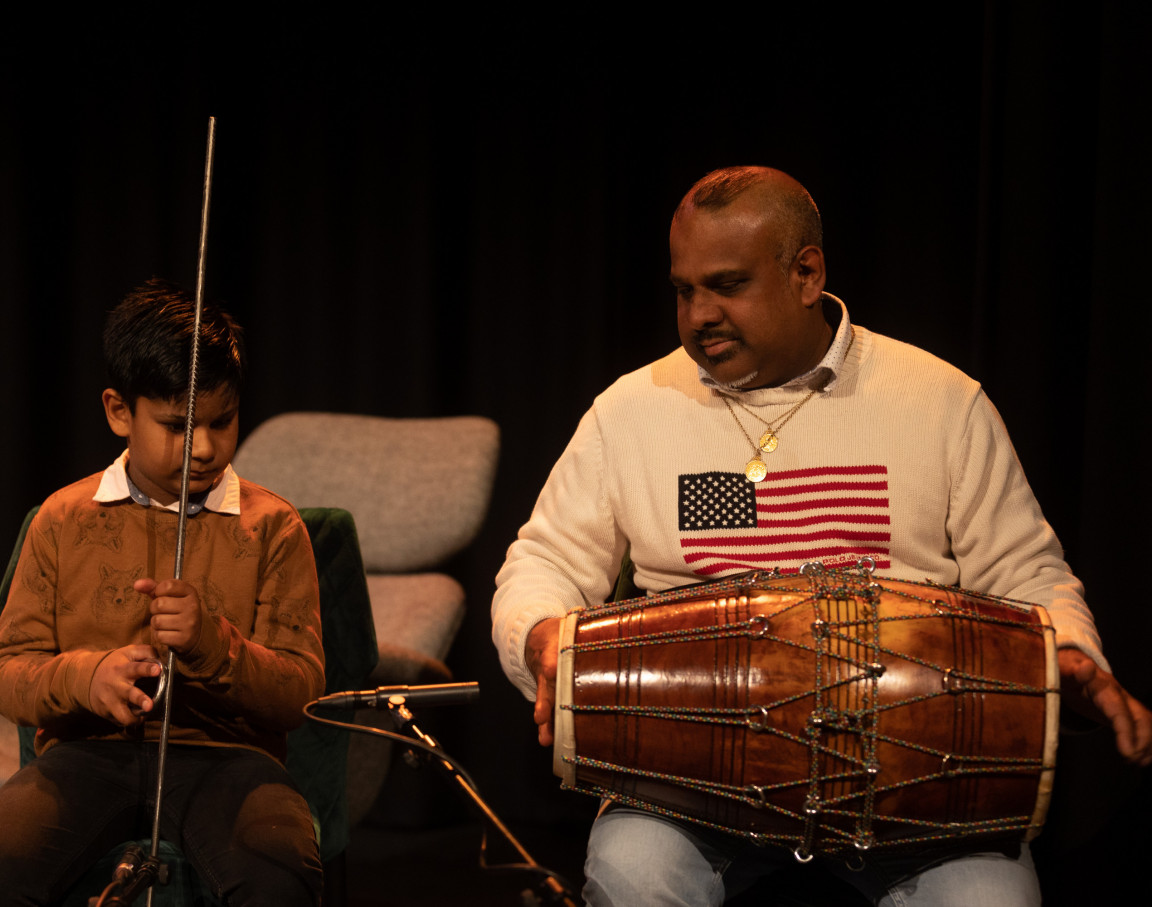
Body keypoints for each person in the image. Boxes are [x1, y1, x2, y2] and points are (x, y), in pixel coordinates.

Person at [491, 166, 1152, 906]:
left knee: (990, 899)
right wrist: (543, 637)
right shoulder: (632, 410)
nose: (699, 313)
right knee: (633, 875)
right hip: (693, 779)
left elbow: (1028, 576)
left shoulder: (938, 400)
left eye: (728, 284)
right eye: (684, 289)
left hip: (912, 771)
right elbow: (542, 561)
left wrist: (1068, 651)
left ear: (806, 273)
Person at [0, 278, 326, 906]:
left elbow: (301, 692)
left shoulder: (274, 528)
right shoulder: (62, 518)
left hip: (227, 759)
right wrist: (87, 676)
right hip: (86, 756)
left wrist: (214, 647)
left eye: (222, 421)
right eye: (177, 425)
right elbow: (6, 673)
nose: (204, 447)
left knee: (276, 878)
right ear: (119, 411)